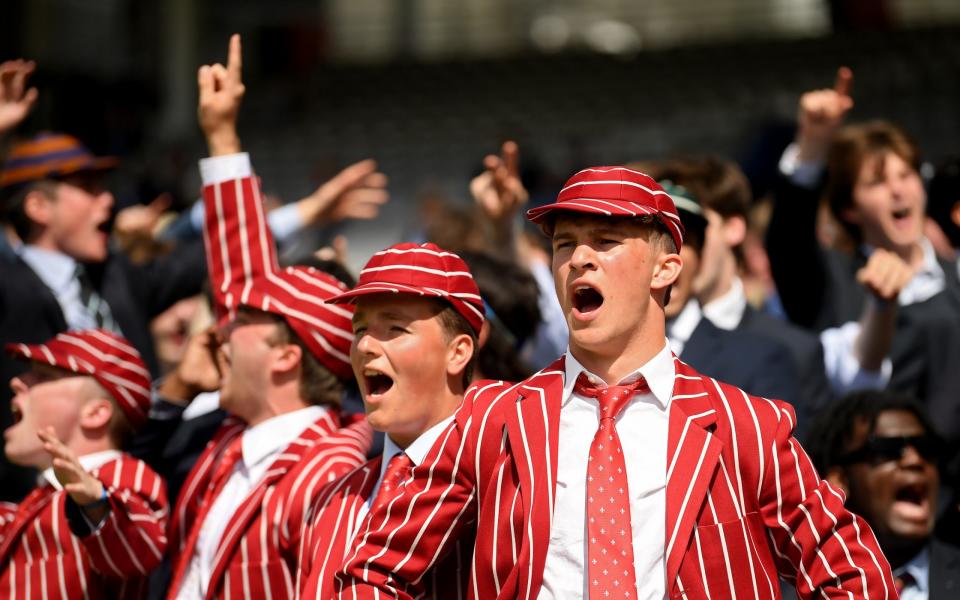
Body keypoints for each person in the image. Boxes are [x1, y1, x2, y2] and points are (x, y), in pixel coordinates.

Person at [336, 166, 895, 598]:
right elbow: (374, 571)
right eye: (563, 244)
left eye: (605, 241)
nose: (579, 258)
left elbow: (853, 573)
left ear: (666, 267)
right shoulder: (491, 420)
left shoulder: (743, 424)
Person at [161, 35, 372, 599]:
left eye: (242, 321)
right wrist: (223, 136)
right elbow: (240, 275)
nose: (221, 328)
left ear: (285, 357)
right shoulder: (234, 440)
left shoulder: (331, 476)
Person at [0, 63, 207, 500]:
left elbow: (198, 260)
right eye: (88, 187)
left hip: (129, 498)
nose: (108, 200)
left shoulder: (113, 277)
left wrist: (300, 217)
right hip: (31, 505)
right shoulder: (9, 285)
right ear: (38, 206)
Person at [766, 68, 960, 443]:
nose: (898, 192)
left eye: (906, 175)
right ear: (850, 208)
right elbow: (788, 239)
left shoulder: (955, 277)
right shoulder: (830, 281)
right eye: (877, 182)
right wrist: (813, 144)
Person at [296, 241, 483, 599]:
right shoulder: (335, 495)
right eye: (360, 329)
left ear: (458, 352)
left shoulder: (499, 482)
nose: (365, 345)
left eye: (395, 329)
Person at [0, 329, 168, 598]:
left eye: (44, 376)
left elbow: (140, 550)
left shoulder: (123, 476)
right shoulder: (34, 500)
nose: (17, 381)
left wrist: (95, 505)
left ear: (96, 413)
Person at [660, 181, 802, 410]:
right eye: (649, 242)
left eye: (681, 240)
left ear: (699, 259)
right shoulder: (591, 358)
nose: (665, 258)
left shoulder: (759, 359)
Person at [807, 390, 960, 599]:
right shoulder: (788, 589)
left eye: (926, 447)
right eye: (888, 448)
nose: (914, 460)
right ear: (838, 482)